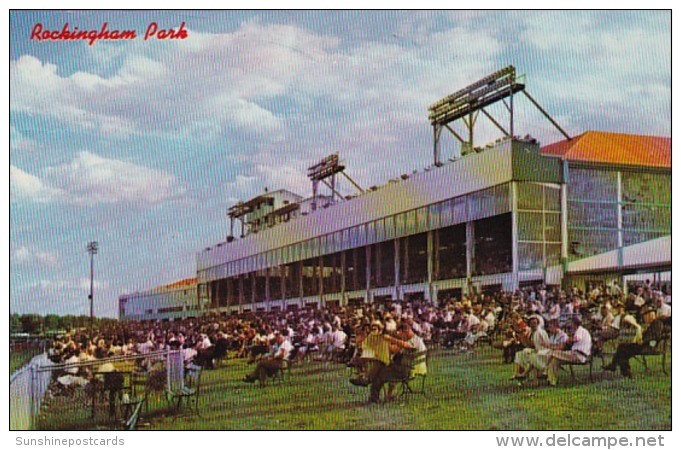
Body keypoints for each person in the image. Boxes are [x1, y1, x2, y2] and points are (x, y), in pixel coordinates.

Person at [603, 316, 671, 378]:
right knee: (623, 349)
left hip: (646, 347)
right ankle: (621, 369)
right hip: (650, 346)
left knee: (622, 348)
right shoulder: (666, 327)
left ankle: (618, 368)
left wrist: (641, 341)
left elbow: (653, 337)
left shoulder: (658, 323)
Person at [546, 315, 592, 386]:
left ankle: (543, 369)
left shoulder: (580, 330)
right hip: (573, 354)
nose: (569, 325)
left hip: (579, 355)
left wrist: (568, 339)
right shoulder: (577, 331)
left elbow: (577, 339)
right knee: (555, 360)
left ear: (574, 323)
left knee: (553, 353)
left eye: (570, 323)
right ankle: (551, 381)